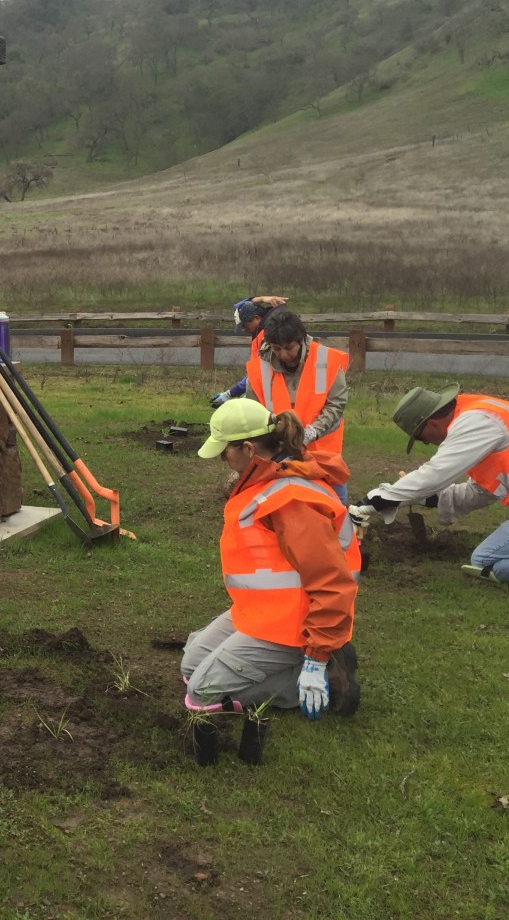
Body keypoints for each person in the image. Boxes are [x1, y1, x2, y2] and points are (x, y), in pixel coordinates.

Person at [182, 400, 361, 765]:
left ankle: (323, 671)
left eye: (225, 451)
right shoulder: (266, 479)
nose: (221, 460)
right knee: (189, 669)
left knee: (201, 694)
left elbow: (332, 583)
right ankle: (300, 666)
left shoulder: (291, 498)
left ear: (248, 449)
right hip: (261, 613)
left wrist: (316, 654)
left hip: (297, 623)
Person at [356, 384, 509, 587]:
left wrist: (379, 498)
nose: (426, 444)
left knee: (486, 560)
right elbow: (483, 491)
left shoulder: (475, 422)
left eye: (420, 438)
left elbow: (437, 472)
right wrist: (427, 497)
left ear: (432, 424)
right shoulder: (481, 413)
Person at [242, 310, 351, 505]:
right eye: (276, 348)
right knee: (287, 511)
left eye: (289, 347)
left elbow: (336, 404)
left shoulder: (326, 360)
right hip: (279, 455)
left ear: (300, 339)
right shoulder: (259, 368)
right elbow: (253, 409)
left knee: (335, 510)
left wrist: (313, 432)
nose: (283, 354)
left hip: (323, 454)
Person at [209, 295, 288, 408]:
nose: (245, 330)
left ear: (256, 318)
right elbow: (236, 306)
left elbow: (259, 372)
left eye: (245, 326)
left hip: (276, 393)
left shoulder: (268, 336)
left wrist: (231, 393)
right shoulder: (264, 327)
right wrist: (262, 299)